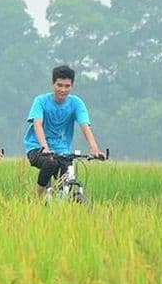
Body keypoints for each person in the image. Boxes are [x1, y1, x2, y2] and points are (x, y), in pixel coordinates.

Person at [24, 65, 105, 198]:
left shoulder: (76, 103)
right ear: (52, 84)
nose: (63, 90)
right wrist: (44, 147)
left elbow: (84, 125)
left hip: (62, 151)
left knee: (66, 179)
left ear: (72, 86)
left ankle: (59, 201)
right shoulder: (40, 101)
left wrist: (94, 148)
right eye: (59, 85)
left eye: (67, 86)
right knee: (50, 163)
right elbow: (37, 124)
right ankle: (37, 197)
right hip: (37, 147)